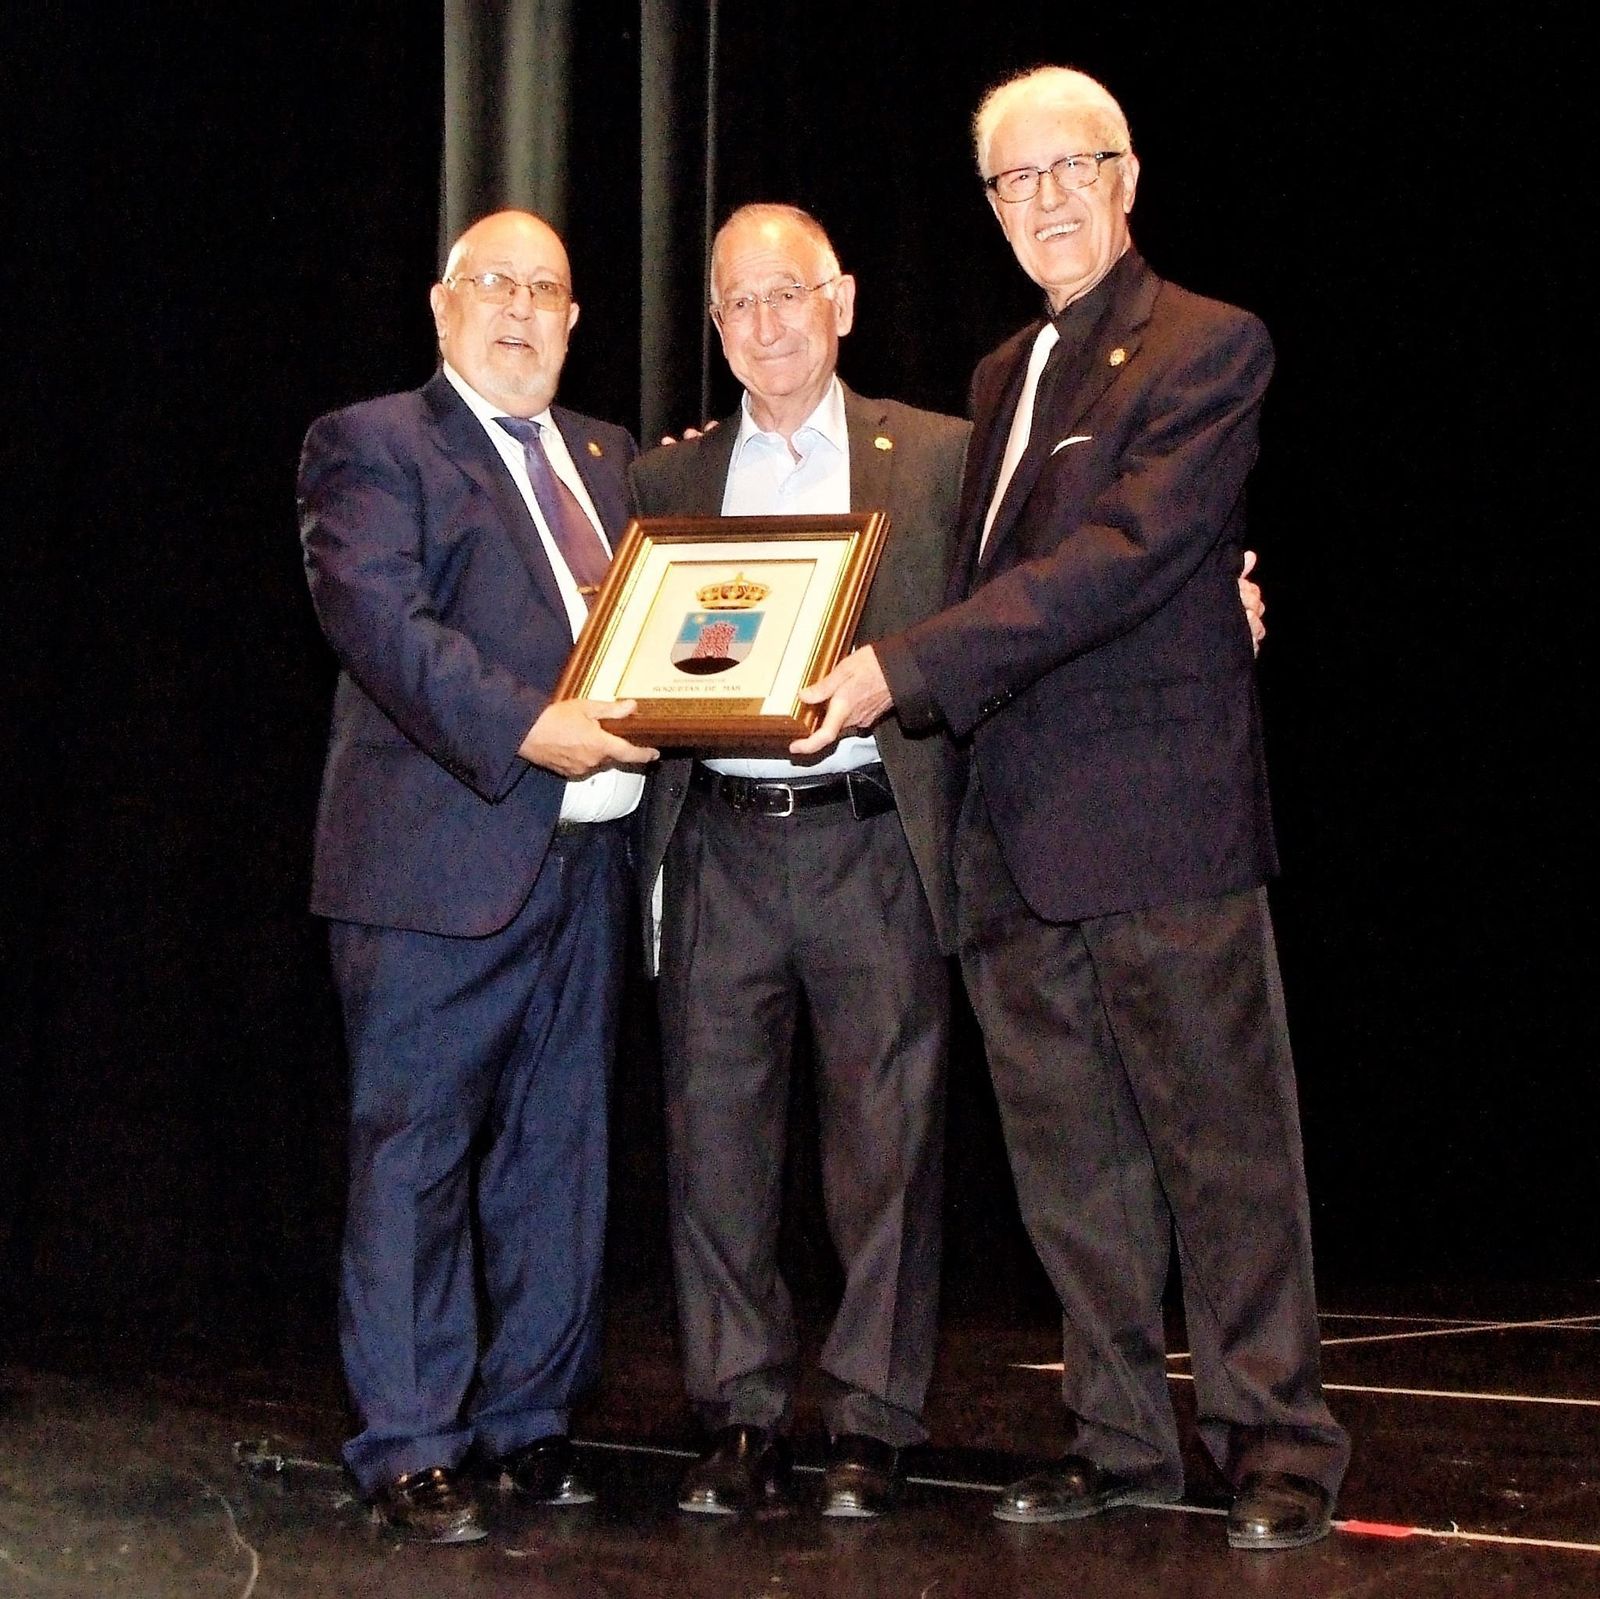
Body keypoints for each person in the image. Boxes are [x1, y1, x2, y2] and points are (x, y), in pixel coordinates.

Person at [797, 68, 1349, 1551]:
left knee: (1223, 1152)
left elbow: (1127, 551)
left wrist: (893, 672)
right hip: (1014, 842)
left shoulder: (1209, 346)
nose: (1045, 201)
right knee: (1072, 1172)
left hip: (1162, 825)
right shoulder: (996, 378)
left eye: (1071, 170)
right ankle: (1119, 1441)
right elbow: (989, 585)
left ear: (1128, 177)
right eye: (1014, 182)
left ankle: (1277, 1443)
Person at [298, 209, 657, 1544]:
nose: (520, 307)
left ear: (574, 320)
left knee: (561, 1163)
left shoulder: (613, 460)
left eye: (546, 289)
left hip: (592, 860)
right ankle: (409, 1442)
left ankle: (529, 1422)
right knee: (418, 1156)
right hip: (435, 862)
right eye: (493, 284)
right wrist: (530, 726)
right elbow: (378, 622)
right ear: (442, 310)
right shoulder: (374, 443)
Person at [632, 204, 968, 1519]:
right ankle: (738, 1419)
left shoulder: (936, 458)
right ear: (714, 327)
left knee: (886, 1155)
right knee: (713, 1150)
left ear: (844, 301)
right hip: (716, 843)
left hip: (872, 842)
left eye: (791, 296)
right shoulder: (668, 482)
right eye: (739, 305)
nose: (767, 325)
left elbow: (1031, 593)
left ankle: (874, 1426)